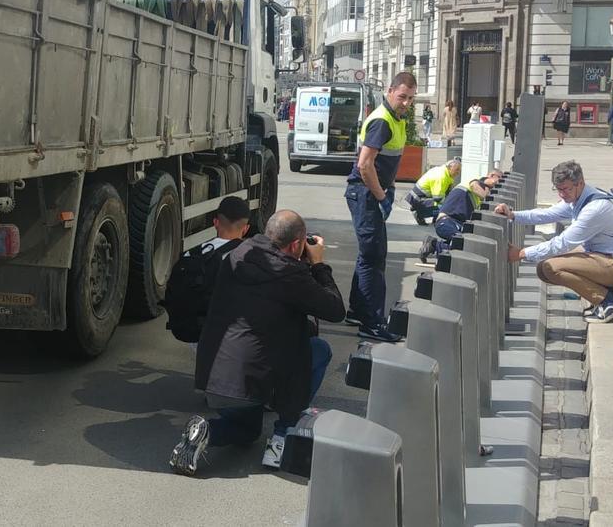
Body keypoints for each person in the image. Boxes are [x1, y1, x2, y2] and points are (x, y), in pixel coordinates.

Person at [170, 210, 344, 475]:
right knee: (318, 350)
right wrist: (318, 265)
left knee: (247, 431)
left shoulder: (239, 253)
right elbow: (335, 310)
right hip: (253, 378)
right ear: (297, 244)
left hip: (216, 376)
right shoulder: (291, 274)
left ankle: (208, 431)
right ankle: (283, 436)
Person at [494, 160, 613, 323]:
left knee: (550, 267)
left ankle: (608, 301)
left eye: (566, 189)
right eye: (558, 190)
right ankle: (605, 298)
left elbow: (563, 242)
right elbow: (546, 214)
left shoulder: (595, 208)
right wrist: (512, 215)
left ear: (580, 183)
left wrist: (521, 254)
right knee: (543, 269)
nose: (562, 195)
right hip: (607, 257)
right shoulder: (579, 198)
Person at [343, 71, 417, 342]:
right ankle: (371, 322)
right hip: (365, 194)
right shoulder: (382, 121)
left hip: (369, 194)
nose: (406, 103)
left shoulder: (396, 119)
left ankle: (357, 311)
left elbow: (388, 162)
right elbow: (365, 165)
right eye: (402, 97)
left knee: (368, 255)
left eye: (410, 98)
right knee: (374, 258)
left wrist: (389, 189)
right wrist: (382, 197)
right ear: (390, 91)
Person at [160, 196, 252, 344]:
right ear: (246, 228)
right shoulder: (248, 258)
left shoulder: (192, 254)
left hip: (192, 332)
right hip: (228, 337)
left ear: (215, 223)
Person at [418, 177, 490, 262]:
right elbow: (474, 185)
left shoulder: (475, 198)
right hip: (446, 221)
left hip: (452, 223)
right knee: (462, 242)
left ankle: (434, 245)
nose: (490, 191)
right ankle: (435, 246)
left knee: (464, 244)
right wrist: (487, 197)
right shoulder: (474, 183)